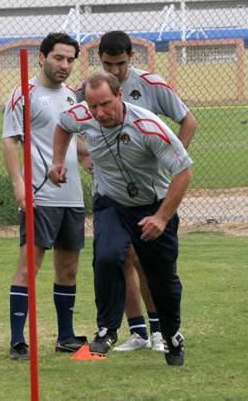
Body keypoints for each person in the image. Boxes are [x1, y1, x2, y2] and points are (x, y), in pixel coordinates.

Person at [50, 72, 193, 366]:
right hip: (111, 203)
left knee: (162, 279)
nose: (99, 113)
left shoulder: (148, 127)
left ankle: (171, 335)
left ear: (119, 95)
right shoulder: (81, 114)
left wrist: (161, 218)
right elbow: (63, 126)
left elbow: (183, 172)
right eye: (93, 106)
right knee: (107, 256)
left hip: (153, 206)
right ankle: (107, 330)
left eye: (105, 104)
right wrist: (58, 161)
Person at [77, 30, 198, 353]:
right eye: (107, 64)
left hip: (149, 192)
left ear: (131, 57)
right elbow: (73, 128)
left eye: (120, 63)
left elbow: (189, 121)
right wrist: (85, 156)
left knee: (148, 262)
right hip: (112, 194)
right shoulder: (88, 90)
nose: (114, 70)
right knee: (118, 257)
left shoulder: (152, 85)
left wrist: (168, 163)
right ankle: (137, 330)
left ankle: (160, 331)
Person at [2, 32, 87, 360]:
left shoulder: (73, 97)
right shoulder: (24, 95)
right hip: (40, 196)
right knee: (29, 267)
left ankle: (65, 336)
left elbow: (77, 142)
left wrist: (90, 160)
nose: (64, 65)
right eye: (58, 58)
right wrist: (19, 184)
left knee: (69, 268)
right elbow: (10, 141)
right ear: (42, 58)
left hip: (72, 196)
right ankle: (17, 340)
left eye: (70, 60)